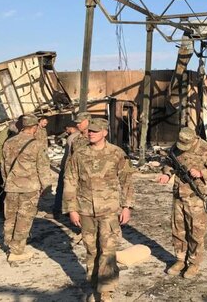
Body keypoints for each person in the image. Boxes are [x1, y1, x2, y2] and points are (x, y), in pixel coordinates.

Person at [63, 118, 135, 301]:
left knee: (108, 250)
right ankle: (94, 283)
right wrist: (71, 208)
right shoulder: (79, 154)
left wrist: (127, 206)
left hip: (109, 209)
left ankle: (106, 291)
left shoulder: (117, 153)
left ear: (105, 132)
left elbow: (127, 181)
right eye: (90, 130)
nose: (90, 133)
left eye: (95, 131)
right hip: (85, 209)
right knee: (91, 250)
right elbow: (70, 181)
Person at [157, 127, 207, 279]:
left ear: (194, 139)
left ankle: (194, 263)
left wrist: (202, 173)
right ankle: (180, 259)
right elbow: (169, 162)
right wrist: (167, 174)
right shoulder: (177, 146)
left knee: (196, 232)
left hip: (195, 196)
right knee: (178, 229)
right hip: (178, 195)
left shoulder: (206, 149)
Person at [1, 114, 50, 262]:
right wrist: (45, 187)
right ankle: (17, 251)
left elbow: (4, 167)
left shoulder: (9, 142)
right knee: (24, 218)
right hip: (29, 187)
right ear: (34, 127)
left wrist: (6, 182)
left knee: (10, 217)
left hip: (11, 186)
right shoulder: (36, 144)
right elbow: (42, 167)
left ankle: (9, 243)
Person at [51, 120, 79, 218]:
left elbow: (68, 155)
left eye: (66, 129)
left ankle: (57, 210)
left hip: (68, 167)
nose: (66, 131)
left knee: (61, 188)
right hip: (77, 167)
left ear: (70, 128)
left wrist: (63, 166)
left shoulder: (71, 138)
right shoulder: (83, 136)